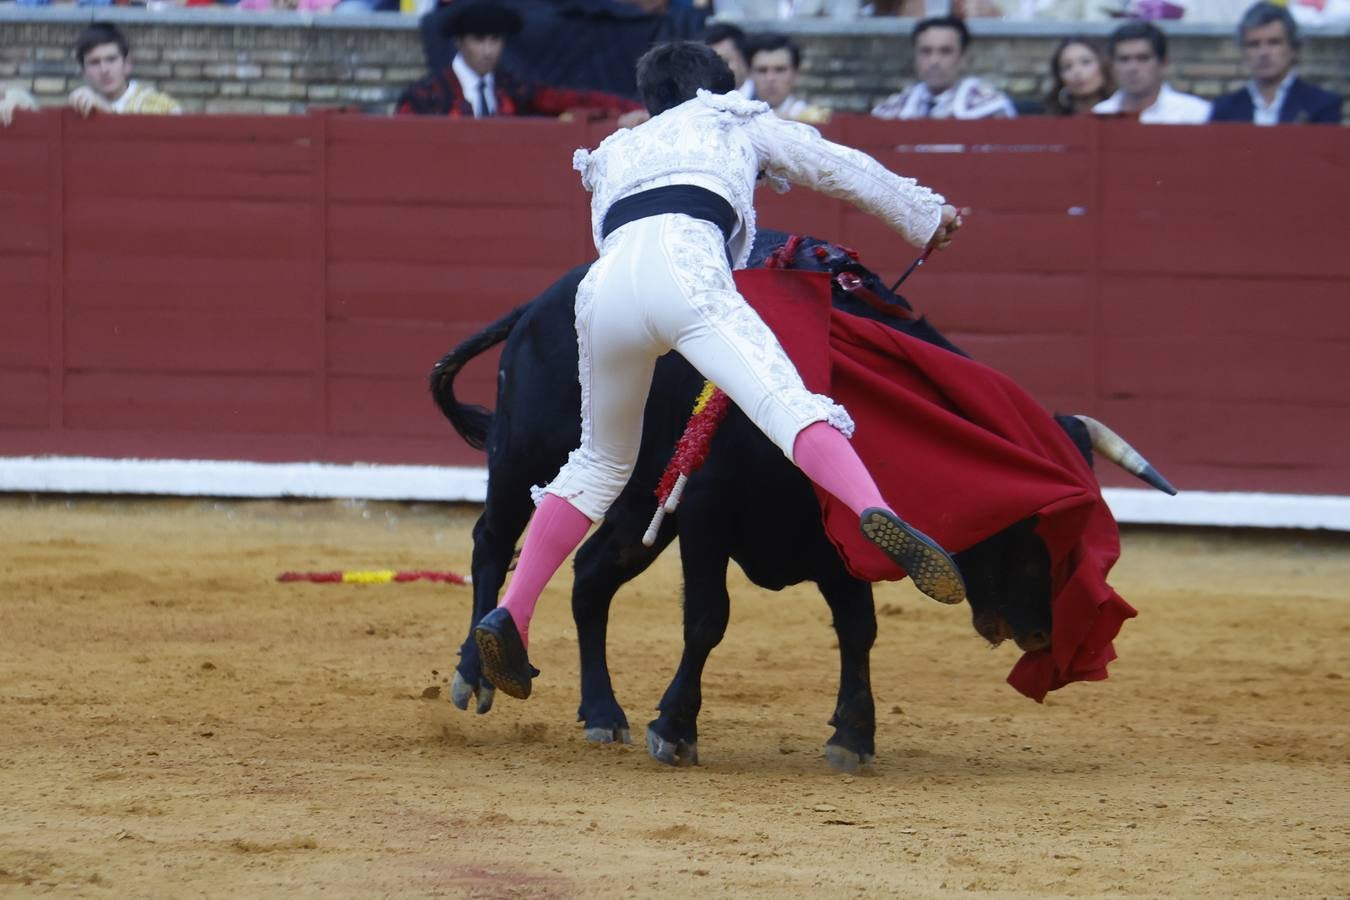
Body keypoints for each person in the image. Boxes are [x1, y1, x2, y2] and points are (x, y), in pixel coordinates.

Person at [472, 41, 968, 701]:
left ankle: (515, 609)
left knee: (596, 464)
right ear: (722, 90)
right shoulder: (735, 120)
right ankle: (876, 510)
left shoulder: (618, 149)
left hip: (603, 292)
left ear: (652, 98)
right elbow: (840, 168)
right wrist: (927, 217)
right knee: (792, 408)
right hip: (691, 274)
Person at [397, 0, 647, 123]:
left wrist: (629, 110)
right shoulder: (425, 96)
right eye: (479, 39)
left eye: (494, 39)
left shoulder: (510, 87)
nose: (487, 50)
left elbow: (570, 100)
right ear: (459, 42)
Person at [1210, 1, 1342, 125]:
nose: (1264, 52)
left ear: (1293, 49)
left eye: (1274, 42)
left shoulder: (1322, 105)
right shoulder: (1224, 109)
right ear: (1243, 52)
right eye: (1254, 44)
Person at [871, 16, 1016, 121]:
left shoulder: (990, 106)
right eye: (926, 51)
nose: (934, 61)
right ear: (915, 57)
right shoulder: (895, 107)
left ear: (964, 58)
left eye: (945, 51)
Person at [1092, 20, 1210, 124]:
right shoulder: (1099, 115)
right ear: (1112, 65)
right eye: (1124, 59)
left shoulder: (1195, 114)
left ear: (1163, 62)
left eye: (1143, 58)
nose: (1132, 68)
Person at [68, 23, 181, 118]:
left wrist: (107, 112)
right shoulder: (78, 109)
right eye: (94, 62)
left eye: (111, 59)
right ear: (83, 71)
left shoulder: (163, 108)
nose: (104, 70)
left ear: (127, 64)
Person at [746, 33, 829, 123]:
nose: (770, 78)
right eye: (762, 70)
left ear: (796, 73)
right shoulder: (738, 119)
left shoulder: (814, 120)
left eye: (780, 70)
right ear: (749, 73)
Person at [1044, 37, 1115, 116]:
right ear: (1060, 77)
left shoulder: (1123, 109)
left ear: (1104, 65)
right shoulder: (1049, 116)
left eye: (1086, 62)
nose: (1077, 71)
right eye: (1067, 66)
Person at [701, 21, 755, 99]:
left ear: (745, 61)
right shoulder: (694, 106)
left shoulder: (769, 100)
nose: (716, 69)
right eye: (708, 63)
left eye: (724, 61)